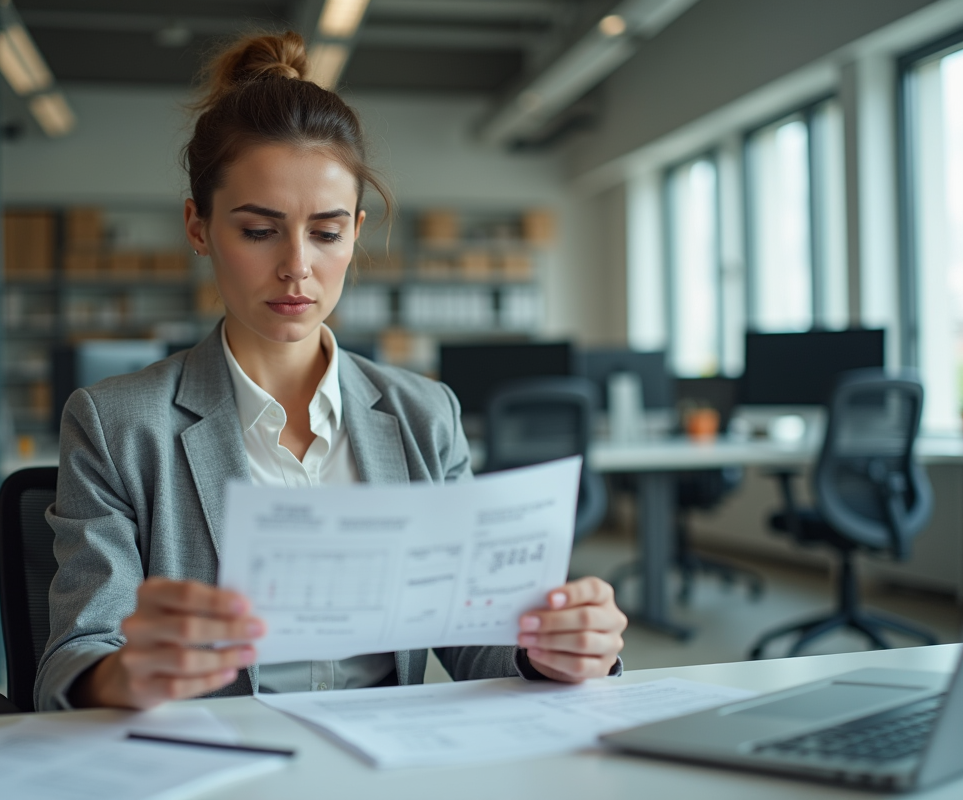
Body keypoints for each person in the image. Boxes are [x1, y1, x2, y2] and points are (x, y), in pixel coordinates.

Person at [35, 31, 627, 712]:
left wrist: (552, 646)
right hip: (221, 754)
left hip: (385, 756)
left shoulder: (424, 415)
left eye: (326, 232)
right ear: (198, 227)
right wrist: (122, 675)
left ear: (356, 231)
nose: (297, 266)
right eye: (259, 231)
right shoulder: (116, 425)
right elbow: (76, 653)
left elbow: (475, 636)